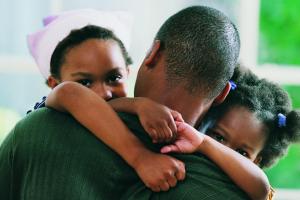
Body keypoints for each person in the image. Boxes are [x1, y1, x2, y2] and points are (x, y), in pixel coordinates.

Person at [0, 6, 246, 200]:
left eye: (113, 78)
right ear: (222, 93)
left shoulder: (32, 133)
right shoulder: (221, 180)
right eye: (85, 83)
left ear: (152, 55)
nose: (103, 93)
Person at [160, 66, 300, 200]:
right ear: (204, 123)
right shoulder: (178, 154)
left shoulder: (252, 189)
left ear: (256, 162)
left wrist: (205, 143)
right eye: (219, 137)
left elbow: (262, 190)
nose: (224, 151)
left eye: (242, 153)